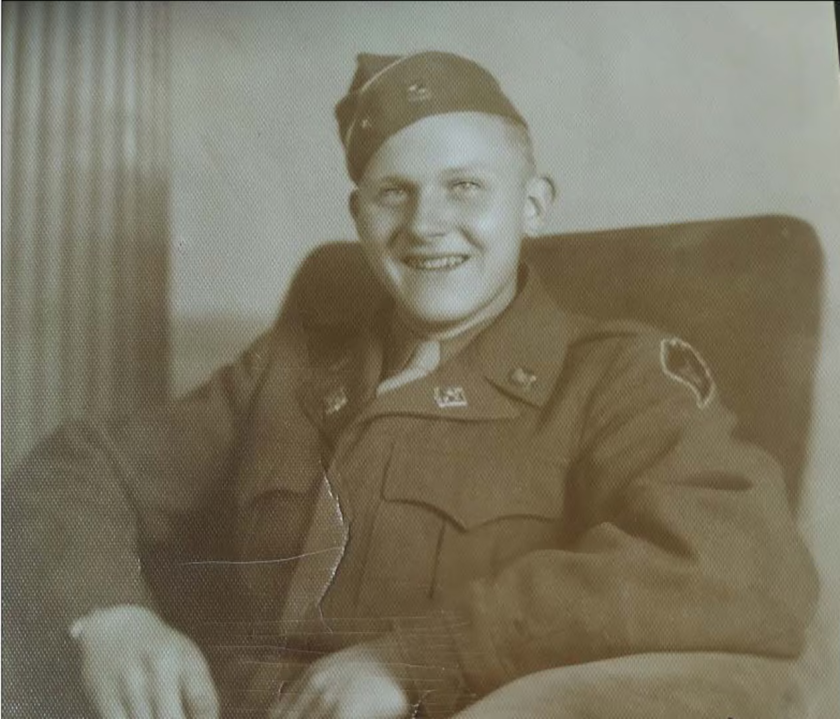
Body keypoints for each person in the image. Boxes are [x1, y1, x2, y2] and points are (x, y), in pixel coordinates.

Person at [3, 51, 819, 719]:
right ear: (359, 217)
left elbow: (742, 567)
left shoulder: (618, 376)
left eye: (465, 186)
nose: (425, 223)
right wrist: (107, 614)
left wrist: (423, 656)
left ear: (533, 206)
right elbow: (82, 465)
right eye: (394, 192)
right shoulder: (290, 367)